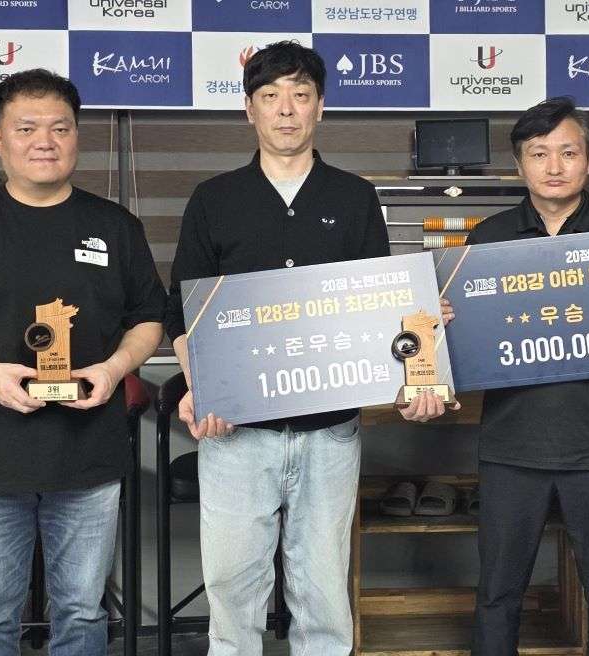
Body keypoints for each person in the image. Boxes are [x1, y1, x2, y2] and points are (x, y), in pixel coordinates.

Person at [164, 41, 449, 656]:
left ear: (320, 105)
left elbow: (381, 309)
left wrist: (419, 358)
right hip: (236, 432)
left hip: (330, 431)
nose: (286, 110)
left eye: (300, 95)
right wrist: (203, 386)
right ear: (250, 109)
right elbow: (184, 314)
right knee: (232, 592)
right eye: (270, 96)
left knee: (322, 591)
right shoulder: (214, 199)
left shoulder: (353, 196)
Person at [0, 68, 166, 655]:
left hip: (89, 459)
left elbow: (148, 318)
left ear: (77, 136)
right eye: (26, 128)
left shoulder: (115, 228)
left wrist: (114, 368)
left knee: (82, 613)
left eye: (60, 127)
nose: (44, 141)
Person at [445, 96, 589, 656]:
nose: (554, 166)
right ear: (519, 164)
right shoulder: (485, 242)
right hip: (511, 445)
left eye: (568, 153)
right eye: (539, 153)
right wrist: (444, 328)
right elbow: (461, 347)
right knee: (498, 593)